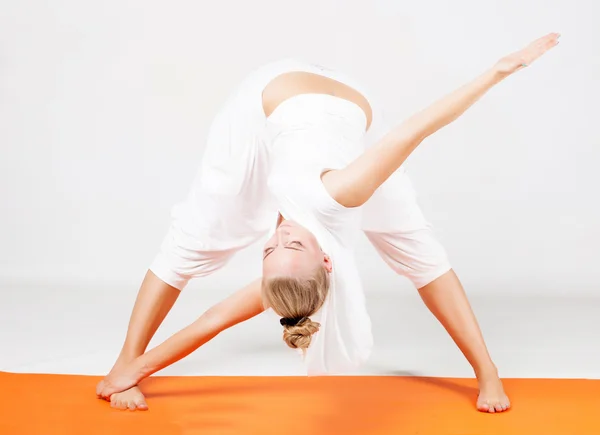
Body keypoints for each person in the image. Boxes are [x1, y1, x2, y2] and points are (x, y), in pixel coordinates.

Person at [96, 33, 560, 413]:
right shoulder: (339, 191)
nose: (278, 238)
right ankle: (490, 372)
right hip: (305, 100)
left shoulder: (286, 278)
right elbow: (417, 128)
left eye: (268, 252)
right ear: (326, 260)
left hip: (296, 99)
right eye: (292, 247)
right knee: (203, 229)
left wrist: (131, 374)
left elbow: (210, 321)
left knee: (418, 249)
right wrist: (499, 71)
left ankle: (487, 373)